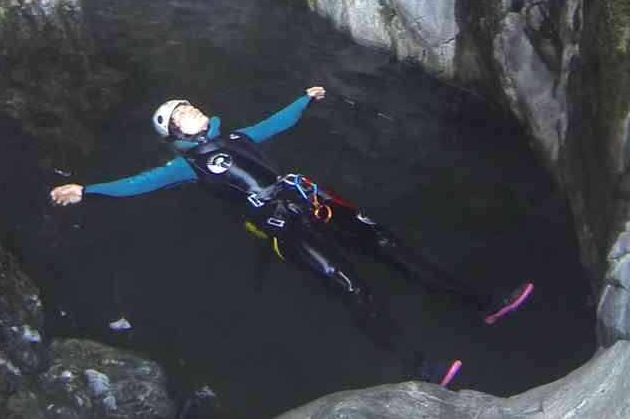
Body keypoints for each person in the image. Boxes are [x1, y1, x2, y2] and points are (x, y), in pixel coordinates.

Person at [49, 86, 534, 387]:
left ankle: (484, 304)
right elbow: (139, 184)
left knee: (390, 246)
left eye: (189, 106)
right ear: (176, 132)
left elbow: (273, 124)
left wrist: (305, 100)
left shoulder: (236, 137)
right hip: (283, 229)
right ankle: (419, 366)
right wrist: (87, 191)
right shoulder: (187, 166)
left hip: (311, 202)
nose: (192, 112)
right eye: (181, 115)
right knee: (350, 287)